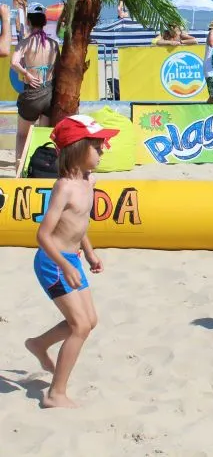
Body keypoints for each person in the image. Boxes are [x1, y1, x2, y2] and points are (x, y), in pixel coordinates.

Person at [25, 115, 119, 408]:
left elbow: (78, 224)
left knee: (90, 321)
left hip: (73, 259)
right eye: (97, 146)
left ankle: (39, 344)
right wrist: (65, 265)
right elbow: (43, 235)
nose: (103, 150)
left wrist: (88, 252)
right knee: (79, 326)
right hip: (52, 262)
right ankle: (56, 394)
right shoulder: (63, 187)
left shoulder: (90, 181)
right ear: (77, 149)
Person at [11, 3, 60, 167]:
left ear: (29, 21)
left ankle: (19, 169)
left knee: (22, 135)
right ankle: (40, 168)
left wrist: (26, 74)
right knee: (41, 136)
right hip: (49, 94)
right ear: (44, 22)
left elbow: (14, 63)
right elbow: (58, 69)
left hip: (32, 94)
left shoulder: (26, 43)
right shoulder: (53, 44)